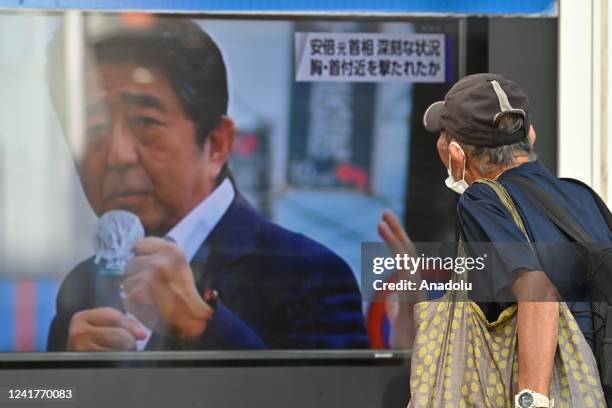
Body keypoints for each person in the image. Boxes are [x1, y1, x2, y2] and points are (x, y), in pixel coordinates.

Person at [45, 15, 368, 351]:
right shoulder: (82, 285)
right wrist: (70, 377)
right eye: (93, 129)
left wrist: (202, 325)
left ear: (217, 143)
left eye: (145, 122)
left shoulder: (311, 276)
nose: (118, 155)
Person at [384, 73, 612, 405]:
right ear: (530, 136)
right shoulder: (582, 197)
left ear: (458, 155)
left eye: (444, 138)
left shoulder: (481, 201)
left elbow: (538, 293)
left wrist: (532, 400)